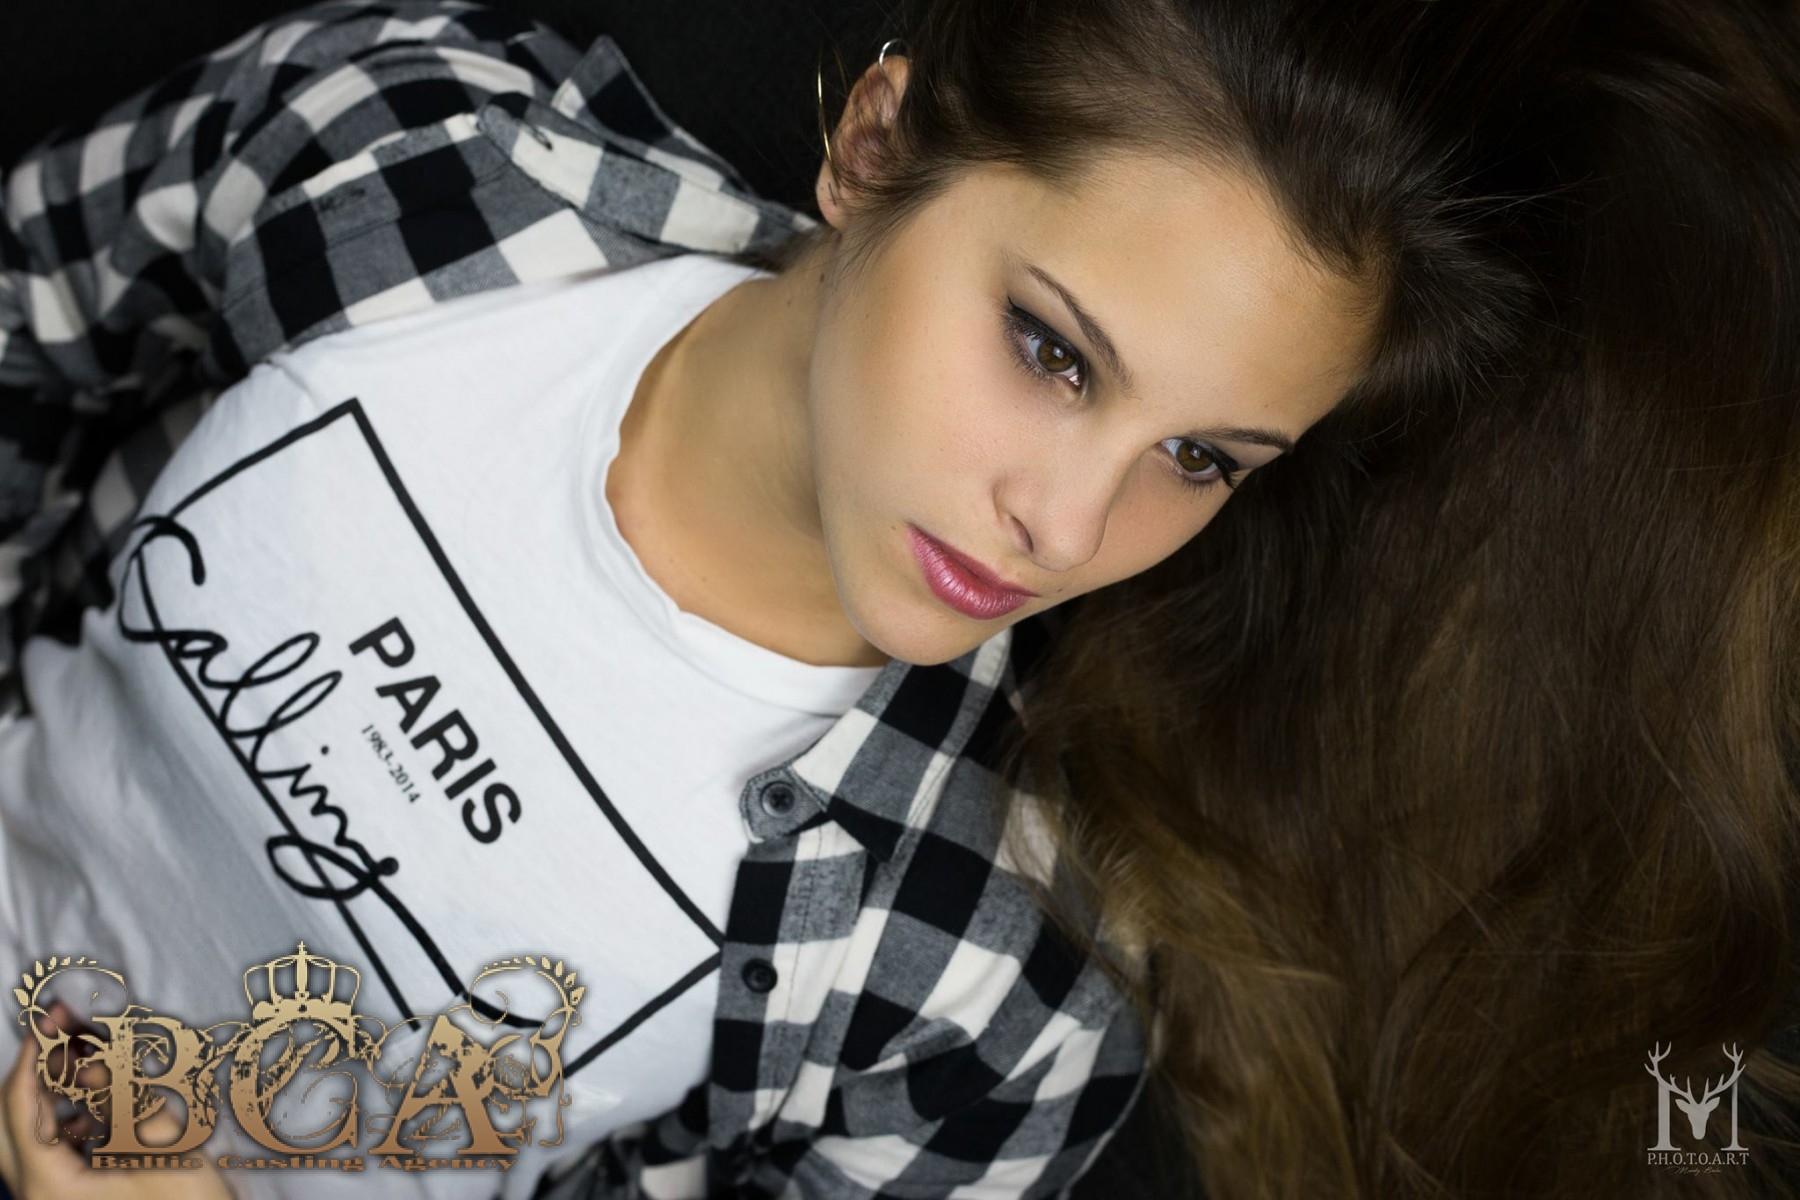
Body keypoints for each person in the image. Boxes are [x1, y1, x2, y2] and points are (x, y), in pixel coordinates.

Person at [0, 3, 1796, 1200]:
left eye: (1200, 459)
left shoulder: (985, 986)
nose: (1064, 524)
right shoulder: (408, 163)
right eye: (1052, 351)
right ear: (875, 145)